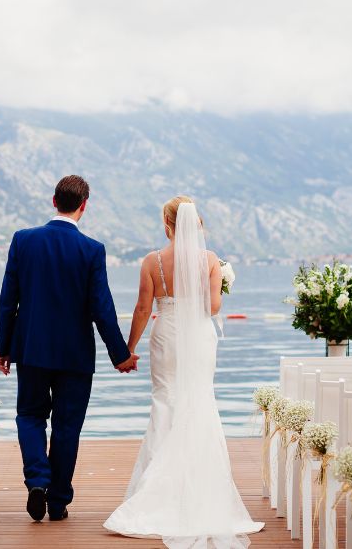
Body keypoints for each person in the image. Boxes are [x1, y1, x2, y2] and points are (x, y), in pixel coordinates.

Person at [103, 196, 263, 548]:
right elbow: (213, 307)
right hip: (199, 337)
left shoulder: (151, 261)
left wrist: (128, 349)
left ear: (167, 226)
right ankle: (198, 490)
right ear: (198, 225)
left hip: (166, 335)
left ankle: (156, 489)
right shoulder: (209, 261)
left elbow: (144, 307)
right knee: (200, 401)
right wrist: (219, 281)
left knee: (165, 401)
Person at [0, 174, 140, 523]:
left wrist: (5, 347)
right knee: (66, 426)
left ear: (53, 200)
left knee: (29, 416)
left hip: (30, 349)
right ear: (84, 206)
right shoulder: (91, 250)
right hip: (75, 355)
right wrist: (120, 355)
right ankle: (57, 501)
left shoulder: (23, 241)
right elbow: (101, 308)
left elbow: (7, 300)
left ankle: (37, 481)